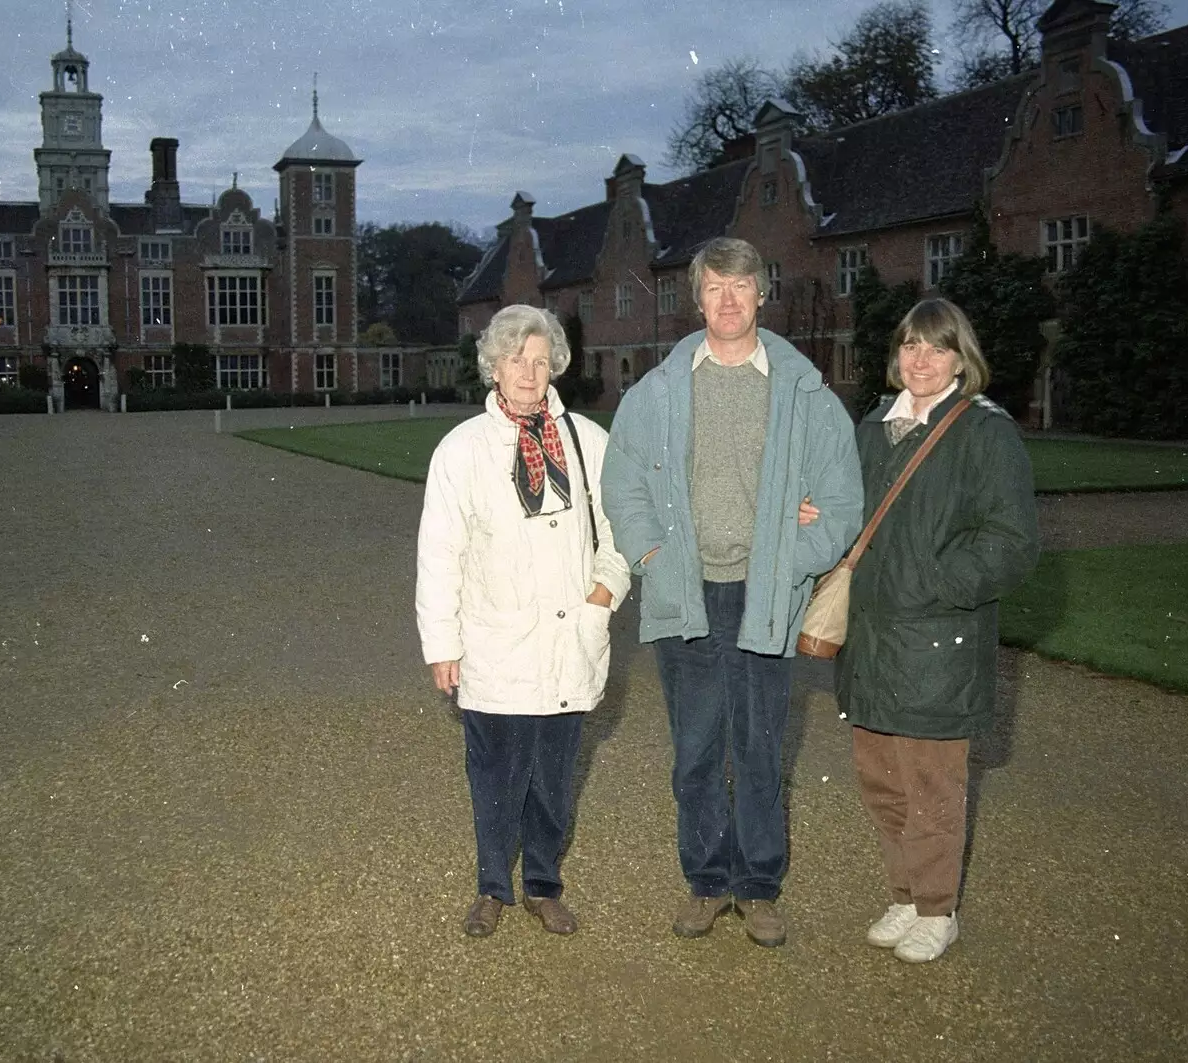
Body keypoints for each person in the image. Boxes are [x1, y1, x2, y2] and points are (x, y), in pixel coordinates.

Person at [601, 237, 863, 947]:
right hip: (688, 591)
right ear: (697, 296)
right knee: (694, 748)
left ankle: (759, 886)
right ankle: (707, 881)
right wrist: (651, 551)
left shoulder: (803, 391)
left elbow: (840, 500)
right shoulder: (659, 389)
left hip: (765, 597)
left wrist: (795, 558)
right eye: (714, 286)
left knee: (757, 746)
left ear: (760, 293)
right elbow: (621, 482)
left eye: (740, 286)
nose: (727, 300)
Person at [821, 296, 1039, 963]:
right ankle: (905, 892)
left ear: (960, 357)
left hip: (937, 638)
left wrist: (933, 584)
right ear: (896, 355)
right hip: (872, 637)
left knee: (932, 782)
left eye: (937, 347)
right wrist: (818, 518)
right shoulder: (872, 429)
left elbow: (1010, 542)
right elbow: (849, 513)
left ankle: (938, 908)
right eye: (911, 346)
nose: (921, 359)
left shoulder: (984, 432)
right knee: (881, 776)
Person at [416, 303, 630, 939]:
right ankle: (491, 887)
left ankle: (543, 884)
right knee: (495, 775)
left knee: (555, 779)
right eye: (517, 359)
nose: (529, 373)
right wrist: (442, 643)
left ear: (554, 366)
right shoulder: (462, 450)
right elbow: (439, 553)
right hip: (495, 642)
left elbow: (623, 530)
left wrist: (603, 594)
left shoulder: (589, 443)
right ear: (494, 367)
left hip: (569, 639)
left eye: (540, 361)